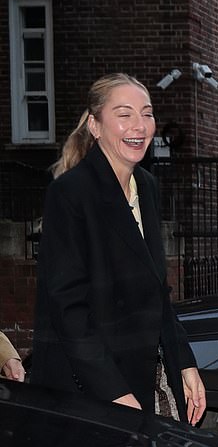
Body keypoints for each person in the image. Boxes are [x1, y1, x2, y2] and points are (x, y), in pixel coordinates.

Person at [31, 74, 205, 424]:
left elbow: (158, 292)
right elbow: (69, 310)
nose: (139, 126)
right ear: (95, 125)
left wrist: (184, 363)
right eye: (124, 114)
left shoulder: (147, 186)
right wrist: (114, 392)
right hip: (86, 390)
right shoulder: (70, 193)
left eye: (147, 113)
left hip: (140, 378)